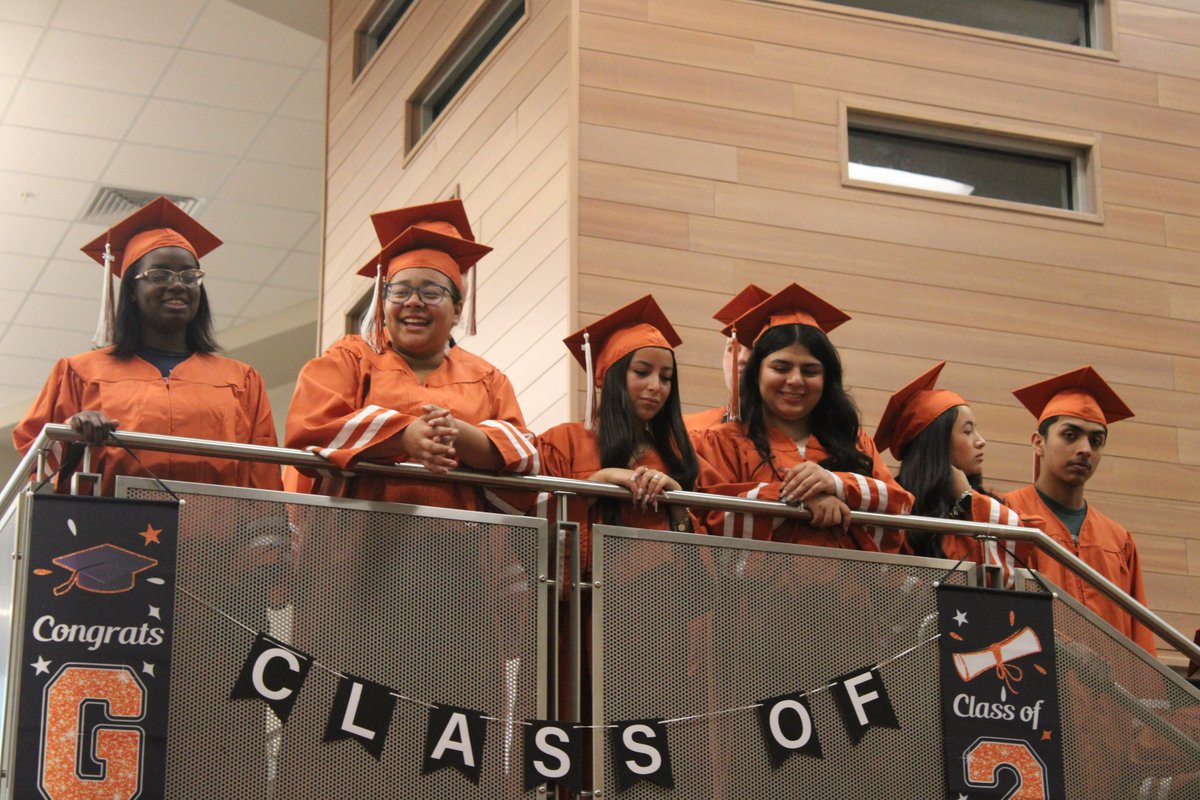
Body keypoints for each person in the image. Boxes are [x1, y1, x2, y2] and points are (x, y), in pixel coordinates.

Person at [13, 196, 282, 494]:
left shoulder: (241, 380)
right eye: (159, 275)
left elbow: (263, 472)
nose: (178, 284)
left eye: (190, 276)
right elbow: (35, 458)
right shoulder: (79, 372)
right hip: (106, 531)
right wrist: (72, 432)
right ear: (130, 290)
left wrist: (268, 535)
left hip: (214, 534)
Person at [284, 199, 538, 508]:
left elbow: (526, 466)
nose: (414, 302)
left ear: (457, 310)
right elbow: (309, 431)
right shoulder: (348, 359)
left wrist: (456, 433)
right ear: (383, 303)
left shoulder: (488, 380)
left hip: (462, 546)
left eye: (431, 293)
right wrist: (403, 435)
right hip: (359, 542)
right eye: (400, 291)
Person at [694, 283, 912, 551]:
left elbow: (898, 510)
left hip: (848, 589)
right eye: (781, 367)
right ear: (756, 373)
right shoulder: (720, 442)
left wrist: (836, 484)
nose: (796, 380)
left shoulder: (854, 443)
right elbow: (706, 522)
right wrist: (793, 498)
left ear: (827, 378)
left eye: (810, 371)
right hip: (752, 591)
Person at [538, 294, 699, 570]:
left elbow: (704, 570)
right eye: (642, 372)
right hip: (582, 608)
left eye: (665, 377)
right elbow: (536, 539)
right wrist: (599, 481)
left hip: (662, 605)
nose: (655, 386)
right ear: (610, 377)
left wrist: (676, 498)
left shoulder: (676, 456)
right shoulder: (562, 444)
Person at [1004, 366, 1154, 653]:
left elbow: (1141, 635)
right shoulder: (1007, 515)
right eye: (1070, 435)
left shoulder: (1118, 540)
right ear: (1038, 443)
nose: (1085, 449)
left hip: (1110, 696)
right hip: (1032, 688)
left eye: (1096, 441)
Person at [874, 361, 1028, 585]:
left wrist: (967, 498)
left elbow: (1019, 556)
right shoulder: (896, 511)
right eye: (968, 431)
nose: (981, 441)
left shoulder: (990, 507)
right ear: (937, 445)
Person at [683, 283, 770, 433]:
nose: (742, 358)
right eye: (733, 349)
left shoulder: (803, 439)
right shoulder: (690, 430)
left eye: (754, 349)